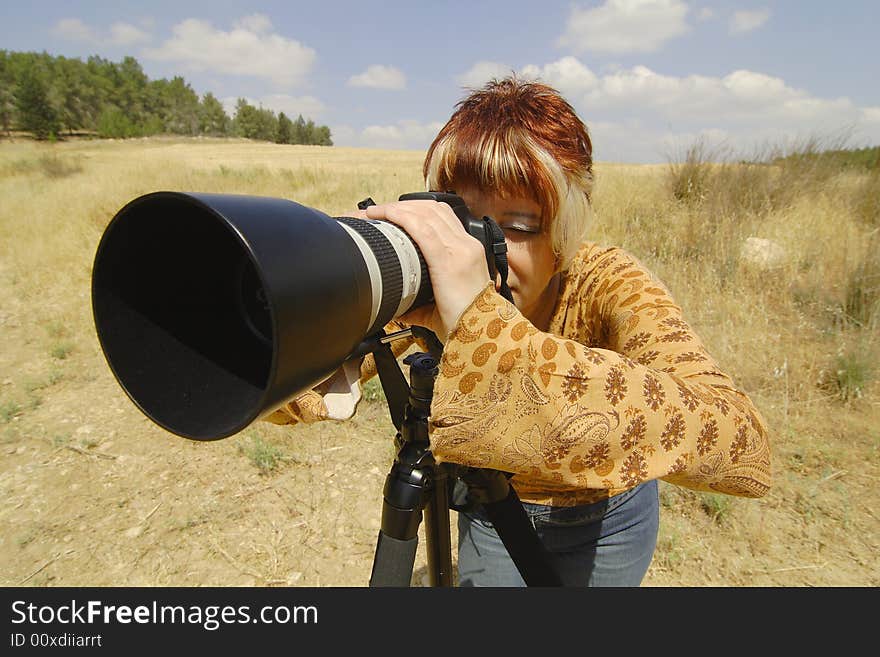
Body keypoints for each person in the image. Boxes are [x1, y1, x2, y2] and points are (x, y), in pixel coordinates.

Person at [265, 76, 773, 586]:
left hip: (609, 519)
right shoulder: (437, 282)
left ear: (563, 235)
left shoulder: (604, 282)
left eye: (521, 227)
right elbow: (290, 392)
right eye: (458, 219)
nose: (477, 255)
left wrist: (481, 327)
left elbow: (741, 442)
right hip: (492, 505)